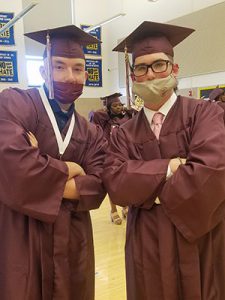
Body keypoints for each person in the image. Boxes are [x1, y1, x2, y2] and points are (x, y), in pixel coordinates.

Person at [102, 21, 225, 300]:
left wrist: (145, 191)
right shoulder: (123, 134)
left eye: (159, 64)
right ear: (133, 76)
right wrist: (172, 167)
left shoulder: (204, 114)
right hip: (146, 243)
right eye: (142, 68)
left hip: (197, 237)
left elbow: (213, 172)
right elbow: (116, 183)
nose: (151, 74)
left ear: (174, 69)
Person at [0, 25, 107, 300]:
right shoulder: (14, 104)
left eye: (77, 68)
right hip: (22, 234)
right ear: (43, 71)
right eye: (58, 67)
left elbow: (98, 185)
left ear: (86, 74)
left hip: (73, 238)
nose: (69, 77)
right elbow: (15, 169)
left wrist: (39, 162)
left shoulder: (90, 131)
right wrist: (71, 169)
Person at [91, 92, 136, 224]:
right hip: (109, 155)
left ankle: (125, 206)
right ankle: (113, 210)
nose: (118, 108)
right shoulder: (104, 119)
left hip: (124, 153)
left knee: (125, 183)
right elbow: (96, 116)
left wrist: (132, 109)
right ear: (109, 107)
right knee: (112, 184)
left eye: (119, 105)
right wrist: (106, 106)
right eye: (114, 105)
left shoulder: (126, 116)